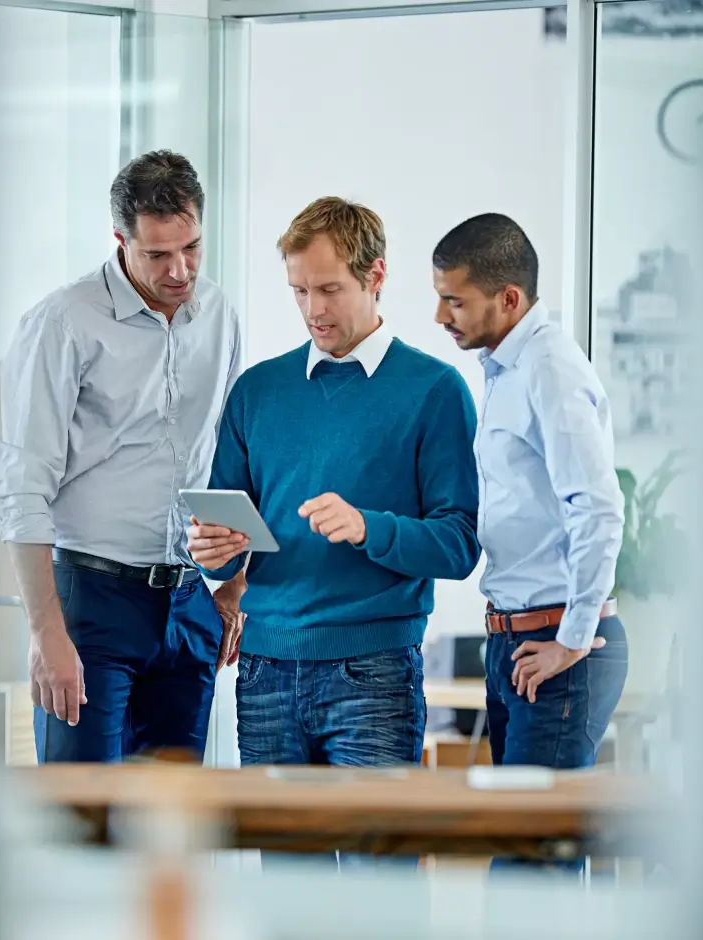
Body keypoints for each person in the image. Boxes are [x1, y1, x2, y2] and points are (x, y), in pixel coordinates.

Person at [188, 197, 480, 865]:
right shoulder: (258, 391)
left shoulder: (434, 390)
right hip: (264, 672)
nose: (312, 309)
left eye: (329, 289)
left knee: (380, 885)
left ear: (376, 276)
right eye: (299, 291)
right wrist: (212, 553)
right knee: (288, 888)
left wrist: (368, 526)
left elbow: (460, 543)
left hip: (371, 675)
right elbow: (222, 538)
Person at [0, 150, 245, 763]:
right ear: (120, 240)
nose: (180, 270)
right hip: (91, 601)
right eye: (157, 254)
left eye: (192, 247)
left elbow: (232, 456)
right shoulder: (63, 322)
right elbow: (23, 486)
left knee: (172, 812)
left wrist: (237, 586)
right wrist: (45, 632)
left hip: (188, 600)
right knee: (83, 809)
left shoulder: (219, 315)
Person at [432, 213, 628, 872]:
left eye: (455, 300)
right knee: (521, 855)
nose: (441, 315)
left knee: (531, 866)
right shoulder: (505, 369)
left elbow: (598, 507)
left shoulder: (548, 368)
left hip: (558, 646)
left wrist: (572, 639)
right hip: (517, 641)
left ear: (509, 298)